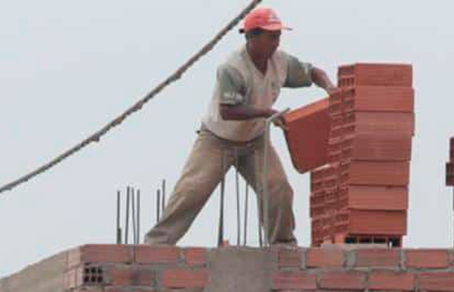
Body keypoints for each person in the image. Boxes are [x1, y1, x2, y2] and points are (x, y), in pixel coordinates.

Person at [144, 6, 336, 247]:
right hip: (217, 141)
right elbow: (229, 110)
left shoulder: (280, 61)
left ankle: (283, 246)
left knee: (278, 188)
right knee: (191, 192)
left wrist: (329, 86)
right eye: (271, 36)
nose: (277, 42)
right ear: (252, 37)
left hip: (255, 142)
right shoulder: (233, 68)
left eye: (278, 35)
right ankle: (154, 246)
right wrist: (266, 112)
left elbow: (312, 72)